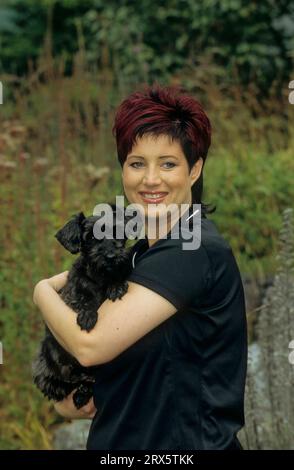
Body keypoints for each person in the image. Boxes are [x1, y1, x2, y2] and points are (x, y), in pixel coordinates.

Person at [33, 83, 248, 450]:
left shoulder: (192, 248)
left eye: (168, 164)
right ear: (123, 170)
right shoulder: (137, 255)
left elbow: (89, 345)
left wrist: (41, 291)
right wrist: (73, 397)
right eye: (136, 164)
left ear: (194, 170)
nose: (150, 180)